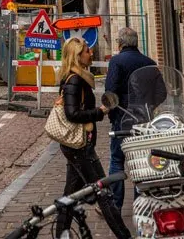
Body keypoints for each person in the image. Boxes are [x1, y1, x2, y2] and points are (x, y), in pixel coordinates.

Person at [55, 37, 131, 239]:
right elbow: (72, 114)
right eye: (87, 51)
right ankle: (125, 236)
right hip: (80, 147)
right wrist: (100, 112)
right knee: (103, 193)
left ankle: (60, 234)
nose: (91, 53)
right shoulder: (74, 80)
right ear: (77, 56)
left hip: (78, 146)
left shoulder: (79, 78)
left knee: (70, 195)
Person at [105, 27, 158, 209]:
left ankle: (116, 205)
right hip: (144, 118)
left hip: (123, 116)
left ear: (120, 43)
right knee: (142, 160)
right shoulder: (149, 62)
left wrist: (113, 115)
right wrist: (149, 106)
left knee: (117, 160)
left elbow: (110, 91)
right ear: (136, 42)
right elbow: (161, 92)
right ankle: (140, 204)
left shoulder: (117, 61)